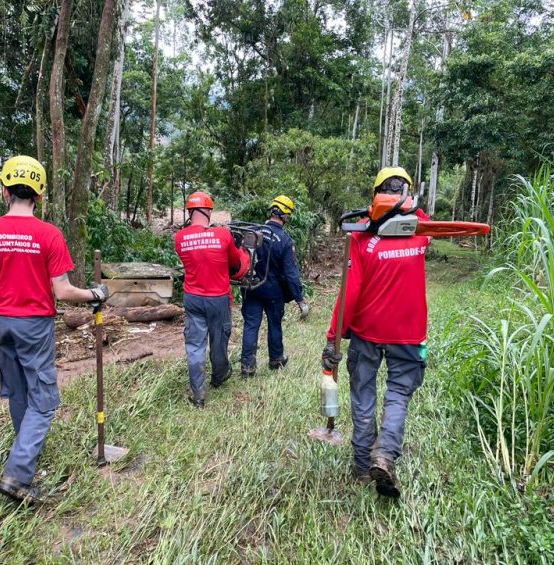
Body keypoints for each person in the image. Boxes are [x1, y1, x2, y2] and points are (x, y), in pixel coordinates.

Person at [0, 155, 109, 503]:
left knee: (18, 393)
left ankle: (22, 453)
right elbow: (63, 291)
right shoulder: (49, 235)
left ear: (4, 192)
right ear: (40, 196)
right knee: (43, 401)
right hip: (34, 326)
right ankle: (18, 474)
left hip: (1, 324)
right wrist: (95, 294)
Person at [321, 167, 430, 499]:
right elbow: (419, 214)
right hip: (409, 334)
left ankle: (360, 463)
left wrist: (333, 335)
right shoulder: (421, 231)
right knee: (398, 395)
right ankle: (383, 456)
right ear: (407, 195)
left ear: (376, 195)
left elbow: (349, 292)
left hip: (367, 332)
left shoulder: (361, 238)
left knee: (363, 396)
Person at [175, 191, 249, 408]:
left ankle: (198, 394)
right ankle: (219, 375)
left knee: (195, 345)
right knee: (219, 340)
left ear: (190, 212)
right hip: (218, 298)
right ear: (208, 210)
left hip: (193, 298)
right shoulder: (223, 234)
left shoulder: (179, 238)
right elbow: (236, 264)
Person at [240, 195, 309, 377]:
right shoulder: (285, 240)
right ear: (285, 216)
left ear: (272, 211)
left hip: (252, 287)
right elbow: (291, 273)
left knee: (251, 325)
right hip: (273, 291)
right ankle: (276, 360)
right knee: (274, 325)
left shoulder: (253, 232)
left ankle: (247, 367)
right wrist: (299, 298)